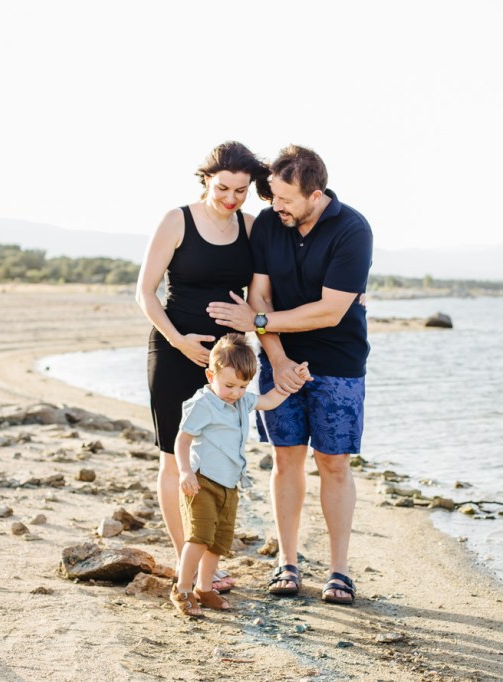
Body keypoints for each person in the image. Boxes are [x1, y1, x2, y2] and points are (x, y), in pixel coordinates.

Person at [206, 144, 373, 605]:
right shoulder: (268, 225)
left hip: (338, 364)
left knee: (334, 463)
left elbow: (330, 310)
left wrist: (258, 323)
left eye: (285, 199)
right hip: (280, 357)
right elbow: (258, 295)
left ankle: (339, 571)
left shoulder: (353, 229)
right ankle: (287, 562)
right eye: (272, 196)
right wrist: (277, 359)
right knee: (285, 459)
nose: (274, 205)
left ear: (315, 195)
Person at [135, 141, 270, 593]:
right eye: (223, 188)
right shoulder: (177, 221)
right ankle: (185, 564)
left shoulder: (252, 228)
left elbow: (261, 295)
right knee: (175, 457)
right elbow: (145, 292)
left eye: (241, 190)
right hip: (175, 352)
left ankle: (207, 564)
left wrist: (252, 320)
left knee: (217, 459)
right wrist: (179, 340)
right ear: (206, 180)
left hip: (230, 361)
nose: (231, 198)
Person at [170, 334, 311, 618]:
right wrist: (185, 471)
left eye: (243, 386)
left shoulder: (243, 401)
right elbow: (182, 440)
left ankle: (205, 587)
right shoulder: (203, 404)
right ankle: (183, 588)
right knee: (198, 538)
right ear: (211, 375)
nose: (235, 392)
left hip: (229, 484)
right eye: (229, 385)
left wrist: (294, 379)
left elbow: (269, 400)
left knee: (218, 542)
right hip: (202, 482)